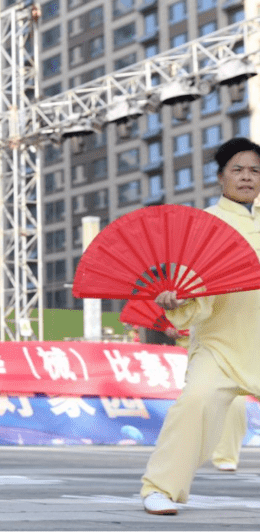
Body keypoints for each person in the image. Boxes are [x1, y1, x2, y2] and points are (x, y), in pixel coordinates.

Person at [141, 137, 260, 515]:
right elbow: (191, 285)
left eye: (255, 171)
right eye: (237, 170)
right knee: (194, 403)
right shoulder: (205, 224)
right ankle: (160, 488)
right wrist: (178, 299)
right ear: (221, 176)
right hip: (219, 345)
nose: (247, 177)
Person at [161, 326, 250, 473]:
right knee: (196, 399)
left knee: (235, 401)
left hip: (234, 343)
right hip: (202, 344)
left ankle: (226, 456)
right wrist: (175, 323)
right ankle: (183, 451)